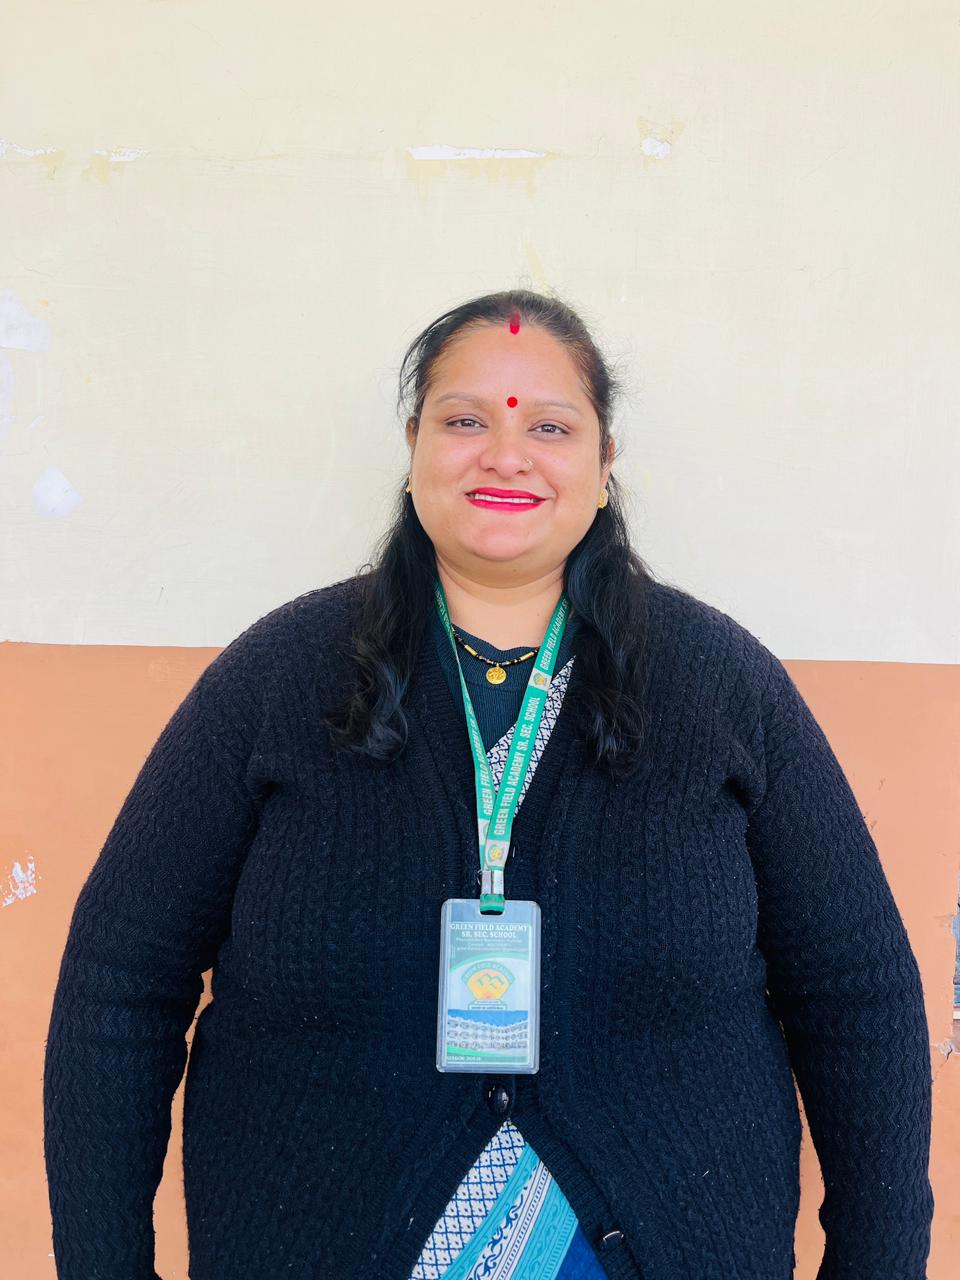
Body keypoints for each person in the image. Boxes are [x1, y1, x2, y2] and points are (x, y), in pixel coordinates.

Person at [42, 289, 934, 1280]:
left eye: (549, 427)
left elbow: (858, 993)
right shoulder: (279, 677)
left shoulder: (723, 685)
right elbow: (121, 979)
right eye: (465, 421)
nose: (506, 455)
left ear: (604, 466)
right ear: (414, 449)